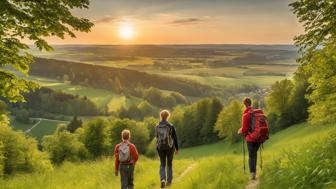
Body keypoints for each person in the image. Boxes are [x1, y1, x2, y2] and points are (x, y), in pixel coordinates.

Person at [238, 97, 261, 180]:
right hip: (259, 137)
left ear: (245, 104)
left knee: (251, 155)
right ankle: (254, 172)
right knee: (255, 154)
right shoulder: (256, 113)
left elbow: (244, 129)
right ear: (251, 104)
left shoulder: (246, 115)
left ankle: (252, 173)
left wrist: (240, 131)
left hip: (250, 138)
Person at [155, 110, 179, 188]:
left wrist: (158, 147)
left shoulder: (157, 126)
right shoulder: (170, 126)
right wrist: (177, 149)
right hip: (170, 147)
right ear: (168, 116)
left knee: (162, 164)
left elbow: (157, 137)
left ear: (161, 116)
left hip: (160, 147)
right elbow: (175, 138)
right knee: (169, 164)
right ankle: (169, 182)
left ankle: (162, 179)